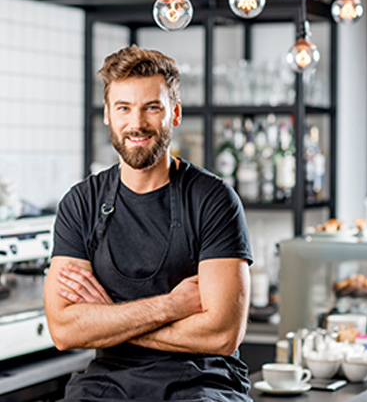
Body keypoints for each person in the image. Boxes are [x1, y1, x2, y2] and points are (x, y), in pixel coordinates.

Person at [44, 45, 254, 402]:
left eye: (152, 107)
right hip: (107, 384)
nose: (137, 123)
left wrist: (107, 319)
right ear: (108, 114)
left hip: (202, 381)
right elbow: (64, 330)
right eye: (123, 108)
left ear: (175, 113)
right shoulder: (81, 203)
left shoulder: (214, 200)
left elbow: (222, 334)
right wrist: (172, 307)